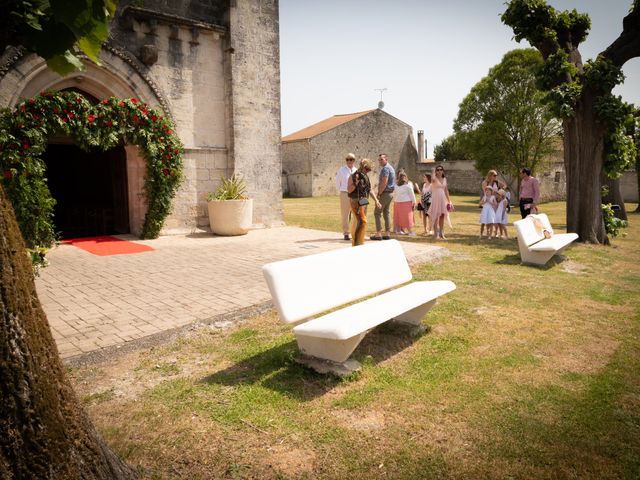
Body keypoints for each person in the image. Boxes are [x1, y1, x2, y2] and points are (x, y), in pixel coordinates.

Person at [347, 158, 381, 246]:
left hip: (364, 200)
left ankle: (360, 241)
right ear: (363, 167)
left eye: (369, 170)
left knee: (360, 222)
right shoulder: (354, 176)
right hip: (355, 200)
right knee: (361, 221)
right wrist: (356, 183)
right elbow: (349, 190)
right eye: (367, 169)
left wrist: (376, 200)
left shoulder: (365, 176)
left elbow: (369, 189)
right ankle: (357, 243)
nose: (368, 171)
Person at [371, 153, 396, 240]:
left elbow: (384, 182)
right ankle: (387, 233)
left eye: (381, 159)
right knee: (386, 213)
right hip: (390, 193)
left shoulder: (385, 169)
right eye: (379, 160)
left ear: (386, 159)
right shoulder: (391, 168)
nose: (380, 161)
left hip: (385, 193)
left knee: (377, 212)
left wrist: (379, 194)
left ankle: (378, 234)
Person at [335, 153, 357, 240]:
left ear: (354, 160)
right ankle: (346, 233)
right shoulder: (342, 170)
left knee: (356, 213)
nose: (349, 161)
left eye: (351, 159)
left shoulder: (356, 170)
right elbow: (337, 182)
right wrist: (340, 191)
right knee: (345, 214)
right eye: (347, 159)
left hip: (355, 194)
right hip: (344, 193)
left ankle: (355, 231)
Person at [427, 165, 452, 240]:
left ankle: (441, 233)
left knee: (442, 216)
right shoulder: (434, 179)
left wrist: (449, 200)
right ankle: (436, 234)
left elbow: (446, 190)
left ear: (443, 171)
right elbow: (432, 179)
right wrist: (433, 171)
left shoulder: (444, 179)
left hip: (442, 199)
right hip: (436, 199)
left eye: (441, 169)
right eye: (438, 170)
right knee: (435, 216)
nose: (439, 171)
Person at [392, 172, 417, 236]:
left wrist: (394, 201)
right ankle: (410, 232)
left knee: (398, 216)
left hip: (397, 202)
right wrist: (414, 202)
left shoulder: (396, 185)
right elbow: (412, 194)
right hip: (406, 203)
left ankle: (398, 230)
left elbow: (394, 194)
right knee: (407, 217)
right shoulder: (408, 184)